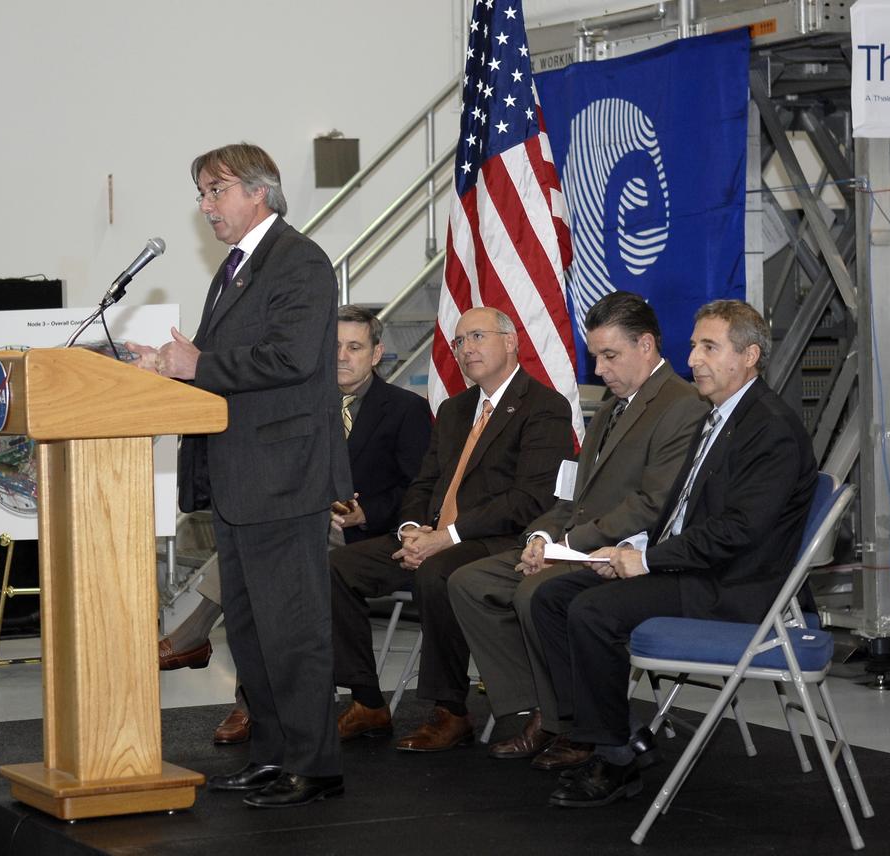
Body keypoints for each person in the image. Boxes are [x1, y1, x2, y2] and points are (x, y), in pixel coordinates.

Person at [531, 299, 817, 809]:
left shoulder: (769, 427)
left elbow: (738, 532)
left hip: (732, 586)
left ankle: (616, 757)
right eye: (693, 345)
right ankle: (611, 731)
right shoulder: (720, 415)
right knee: (553, 596)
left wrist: (647, 561)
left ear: (749, 355)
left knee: (592, 611)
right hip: (692, 566)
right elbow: (683, 513)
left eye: (710, 347)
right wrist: (630, 547)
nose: (694, 360)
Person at [141, 142, 351, 808]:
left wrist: (196, 365)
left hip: (283, 477)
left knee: (293, 627)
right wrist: (176, 367)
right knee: (253, 630)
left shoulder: (300, 262)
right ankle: (271, 754)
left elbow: (288, 358)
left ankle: (314, 764)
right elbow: (223, 361)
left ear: (258, 191)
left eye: (215, 191)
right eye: (201, 194)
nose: (205, 206)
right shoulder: (236, 268)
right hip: (240, 477)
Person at [447, 291, 707, 771]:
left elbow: (652, 505)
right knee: (469, 582)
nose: (600, 369)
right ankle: (541, 707)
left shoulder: (682, 406)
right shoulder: (610, 409)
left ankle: (566, 718)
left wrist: (568, 546)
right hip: (576, 545)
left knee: (535, 593)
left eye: (610, 356)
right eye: (596, 357)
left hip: (621, 552)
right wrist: (540, 539)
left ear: (646, 345)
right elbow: (571, 496)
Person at [156, 304, 432, 747]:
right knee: (261, 543)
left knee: (266, 549)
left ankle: (215, 657)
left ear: (377, 353)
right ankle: (254, 696)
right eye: (334, 346)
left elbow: (418, 487)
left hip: (366, 536)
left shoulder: (406, 409)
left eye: (355, 347)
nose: (342, 356)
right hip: (302, 524)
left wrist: (370, 512)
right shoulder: (303, 402)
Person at [330, 306, 573, 752]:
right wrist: (409, 529)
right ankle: (367, 700)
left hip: (493, 541)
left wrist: (447, 537)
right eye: (460, 342)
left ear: (510, 341)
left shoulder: (544, 408)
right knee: (337, 566)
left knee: (437, 572)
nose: (467, 349)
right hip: (432, 537)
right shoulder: (455, 409)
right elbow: (423, 482)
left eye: (478, 337)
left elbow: (531, 500)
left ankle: (450, 710)